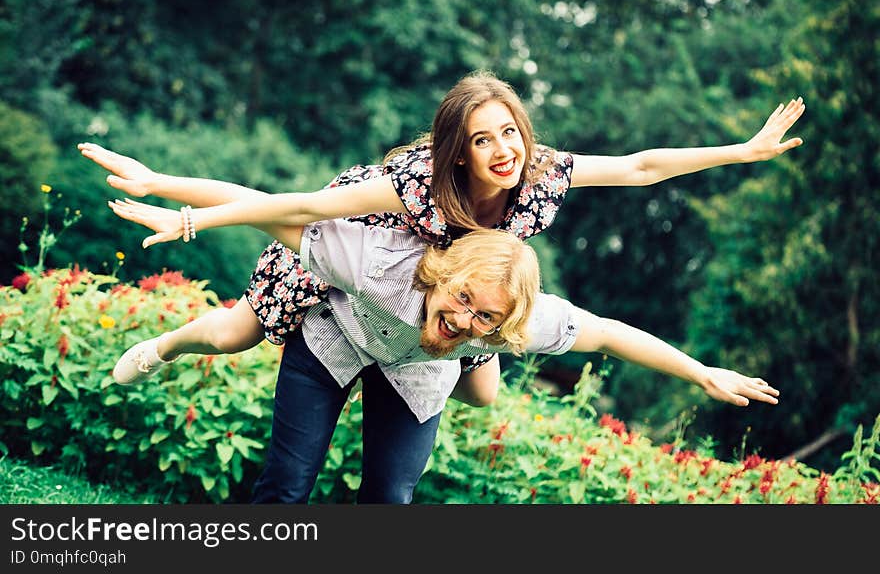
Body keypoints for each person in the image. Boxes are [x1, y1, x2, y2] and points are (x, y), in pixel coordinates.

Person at [79, 70, 805, 403]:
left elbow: (644, 167)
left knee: (483, 390)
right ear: (458, 150)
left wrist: (739, 151)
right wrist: (169, 194)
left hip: (450, 300)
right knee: (236, 333)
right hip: (355, 256)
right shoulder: (414, 184)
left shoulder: (543, 174)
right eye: (483, 139)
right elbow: (286, 203)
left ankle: (427, 359)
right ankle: (165, 344)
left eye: (511, 133)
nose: (503, 150)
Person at [107, 198, 780, 503]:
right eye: (461, 301)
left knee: (392, 493)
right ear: (442, 275)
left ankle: (480, 366)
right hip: (343, 327)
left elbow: (606, 331)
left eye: (484, 315)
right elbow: (269, 207)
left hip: (420, 367)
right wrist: (173, 202)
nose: (465, 316)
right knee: (285, 482)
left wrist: (699, 371)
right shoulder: (378, 263)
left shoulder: (507, 318)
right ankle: (163, 345)